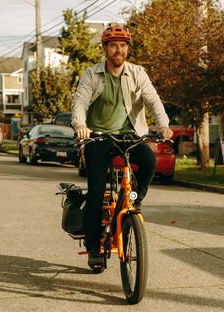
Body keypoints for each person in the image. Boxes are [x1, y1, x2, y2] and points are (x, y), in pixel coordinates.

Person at [71, 24, 173, 267]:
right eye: (114, 45)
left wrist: (164, 125)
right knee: (96, 193)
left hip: (130, 137)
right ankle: (94, 246)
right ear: (106, 48)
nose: (119, 50)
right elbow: (80, 103)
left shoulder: (138, 73)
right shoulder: (91, 74)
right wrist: (80, 125)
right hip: (99, 137)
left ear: (127, 49)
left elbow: (153, 100)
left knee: (149, 161)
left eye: (123, 45)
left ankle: (134, 201)